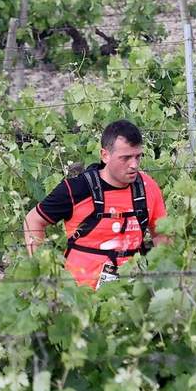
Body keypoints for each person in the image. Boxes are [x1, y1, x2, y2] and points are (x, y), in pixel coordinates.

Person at [24, 120, 168, 288]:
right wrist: (44, 274)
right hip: (80, 294)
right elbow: (33, 220)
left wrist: (163, 276)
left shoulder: (147, 187)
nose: (134, 165)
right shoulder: (77, 189)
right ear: (104, 155)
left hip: (132, 290)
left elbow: (161, 234)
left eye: (138, 156)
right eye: (125, 158)